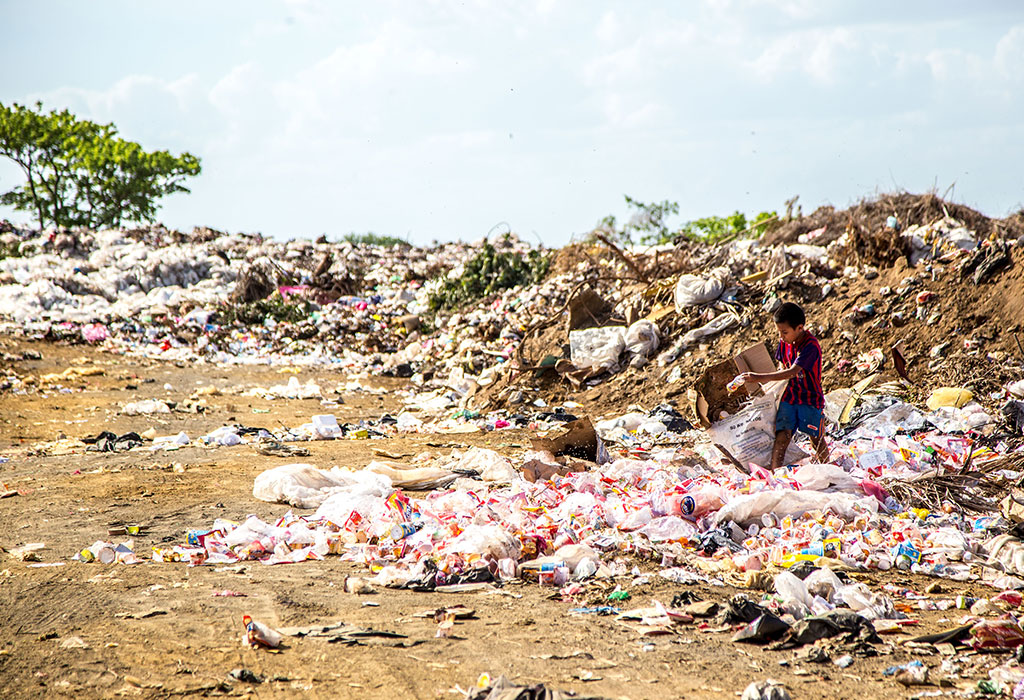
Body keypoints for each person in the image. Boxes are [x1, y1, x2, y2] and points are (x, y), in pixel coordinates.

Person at [735, 302, 828, 468]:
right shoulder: (784, 343)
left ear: (800, 328)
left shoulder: (810, 346)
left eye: (785, 332)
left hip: (809, 398)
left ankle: (828, 469)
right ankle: (776, 473)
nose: (781, 336)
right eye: (779, 332)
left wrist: (758, 377)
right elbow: (781, 367)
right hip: (789, 396)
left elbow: (792, 372)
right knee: (782, 436)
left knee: (816, 438)